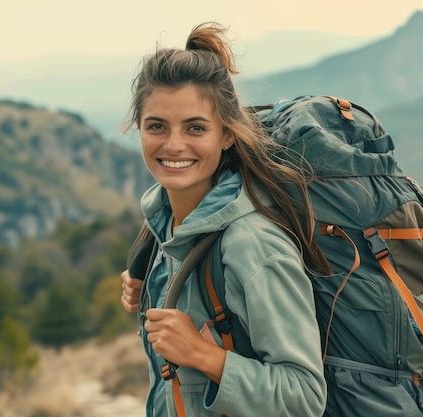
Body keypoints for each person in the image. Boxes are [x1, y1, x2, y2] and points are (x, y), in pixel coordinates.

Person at [120, 22, 331, 417]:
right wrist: (147, 279)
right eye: (157, 127)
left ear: (227, 135)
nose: (174, 144)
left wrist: (203, 355)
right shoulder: (168, 225)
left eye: (196, 127)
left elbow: (303, 396)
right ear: (139, 129)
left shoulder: (253, 245)